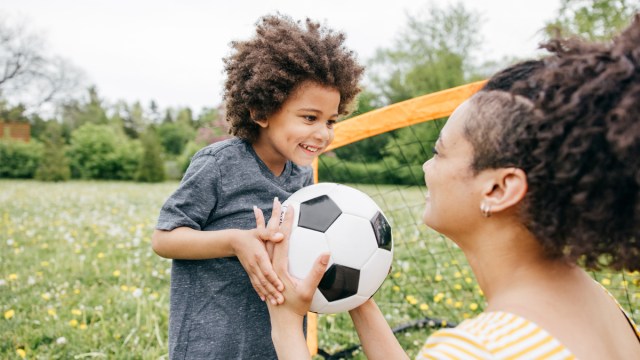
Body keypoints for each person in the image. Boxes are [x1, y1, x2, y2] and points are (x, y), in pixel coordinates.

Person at [264, 15, 640, 360]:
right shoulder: (601, 305)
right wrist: (357, 295)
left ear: (499, 189)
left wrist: (284, 321)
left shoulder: (480, 348)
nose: (427, 167)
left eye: (438, 152)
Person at [151, 14, 364, 359]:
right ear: (261, 111)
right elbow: (164, 238)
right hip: (212, 341)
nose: (323, 133)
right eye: (310, 118)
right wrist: (235, 241)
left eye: (330, 121)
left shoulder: (301, 176)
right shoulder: (219, 164)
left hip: (275, 342)